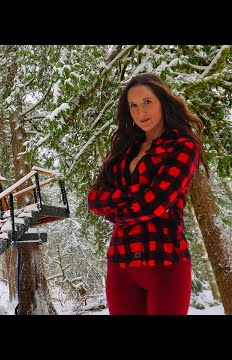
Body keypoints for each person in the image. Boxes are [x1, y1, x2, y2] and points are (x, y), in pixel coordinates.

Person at [88, 73, 208, 315]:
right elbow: (94, 198)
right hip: (121, 263)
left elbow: (155, 203)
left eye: (147, 102)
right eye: (133, 105)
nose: (140, 111)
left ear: (162, 101)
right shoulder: (124, 149)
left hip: (165, 262)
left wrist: (116, 208)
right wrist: (140, 193)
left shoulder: (183, 145)